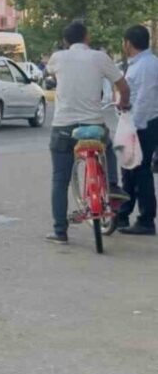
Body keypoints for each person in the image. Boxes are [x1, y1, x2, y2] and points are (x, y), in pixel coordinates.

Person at [45, 21, 130, 244]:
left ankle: (60, 232)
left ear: (65, 41)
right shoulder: (100, 57)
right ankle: (111, 185)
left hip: (63, 127)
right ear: (87, 37)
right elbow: (123, 87)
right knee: (108, 145)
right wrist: (123, 104)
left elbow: (50, 73)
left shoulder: (57, 57)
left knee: (59, 180)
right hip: (93, 125)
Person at [115, 25, 158, 235]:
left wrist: (134, 128)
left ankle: (146, 219)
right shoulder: (142, 64)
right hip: (139, 123)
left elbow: (144, 101)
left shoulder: (145, 66)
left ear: (128, 43)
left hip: (142, 124)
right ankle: (122, 214)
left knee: (139, 172)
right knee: (130, 171)